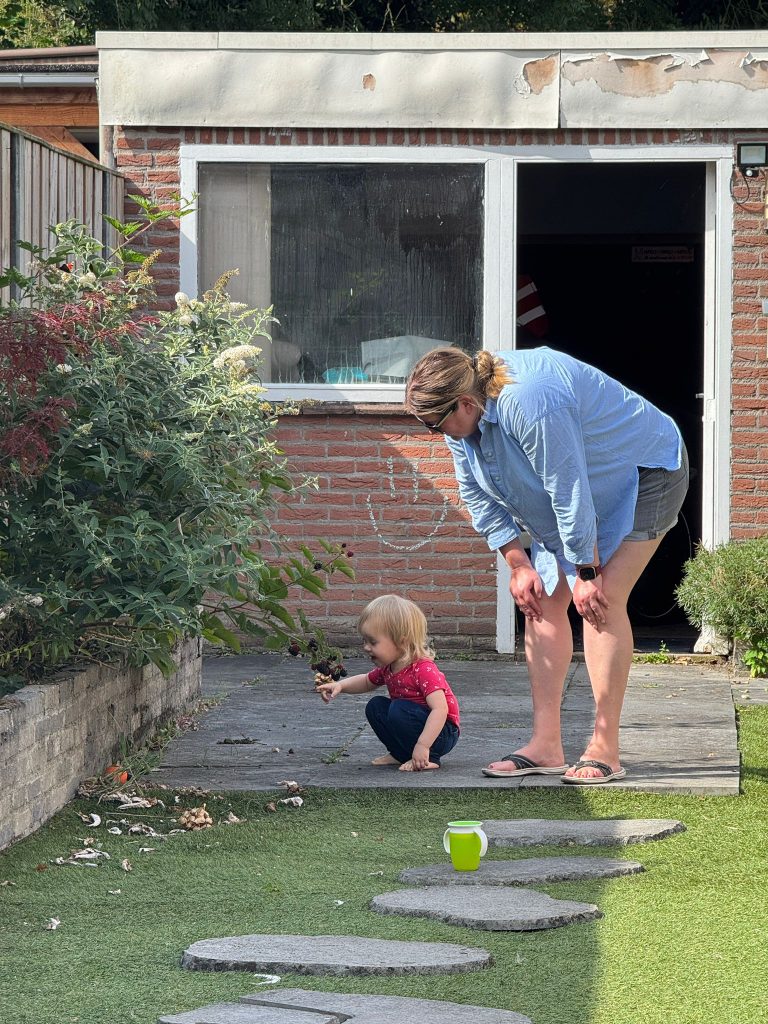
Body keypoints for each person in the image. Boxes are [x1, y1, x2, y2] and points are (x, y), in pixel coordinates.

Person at [404, 346, 688, 785]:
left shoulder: (531, 401)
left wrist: (587, 573)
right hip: (581, 495)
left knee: (601, 601)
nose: (434, 432)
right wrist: (518, 563)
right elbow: (475, 493)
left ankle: (605, 747)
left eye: (434, 424)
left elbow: (568, 488)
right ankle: (546, 745)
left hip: (644, 472)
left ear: (464, 403)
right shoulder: (462, 418)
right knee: (541, 601)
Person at [316, 594, 460, 772]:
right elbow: (367, 681)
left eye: (373, 642)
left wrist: (423, 745)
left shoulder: (423, 670)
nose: (366, 647)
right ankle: (400, 753)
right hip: (414, 721)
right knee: (376, 706)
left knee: (398, 709)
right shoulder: (389, 667)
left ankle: (429, 758)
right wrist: (341, 686)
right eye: (365, 641)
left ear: (402, 641)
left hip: (441, 733)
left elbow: (440, 709)